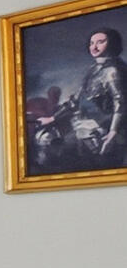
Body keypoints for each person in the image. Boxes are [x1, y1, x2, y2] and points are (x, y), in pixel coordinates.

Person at [33, 24, 127, 172]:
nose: (94, 47)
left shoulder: (113, 71)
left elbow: (121, 103)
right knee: (45, 139)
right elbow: (76, 100)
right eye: (91, 43)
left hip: (105, 130)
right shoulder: (93, 69)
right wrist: (52, 119)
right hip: (86, 126)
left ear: (112, 44)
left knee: (61, 152)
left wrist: (113, 132)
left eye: (100, 42)